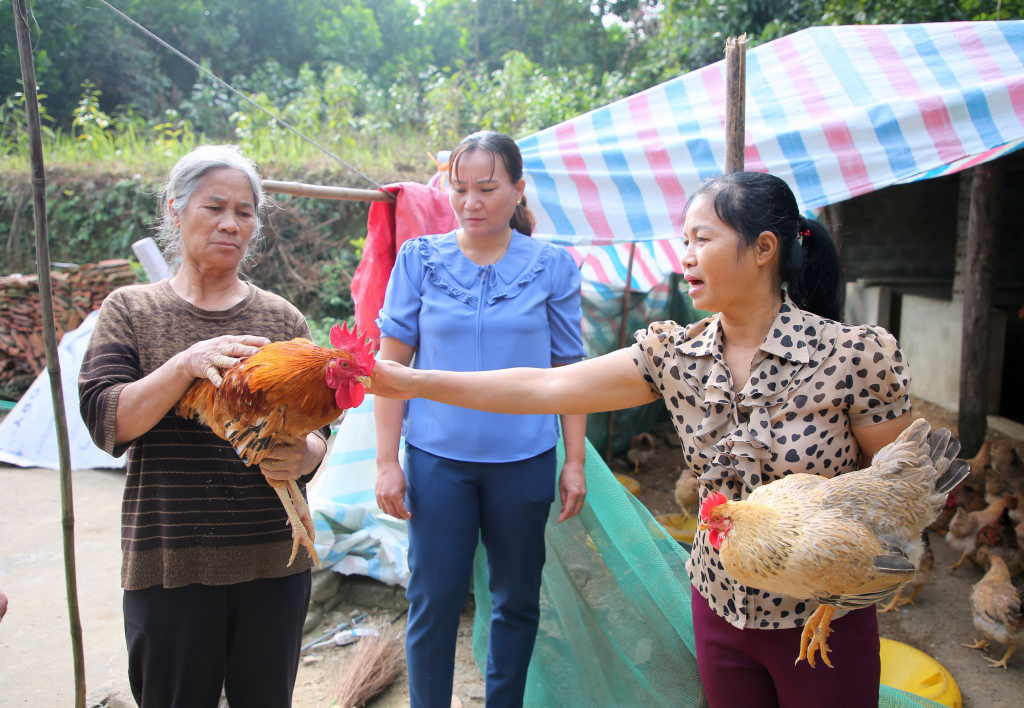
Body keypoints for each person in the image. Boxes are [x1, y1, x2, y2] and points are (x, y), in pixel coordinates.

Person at [369, 171, 914, 708]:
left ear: (764, 248)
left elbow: (896, 488)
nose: (687, 255)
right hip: (719, 606)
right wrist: (412, 380)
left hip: (821, 616)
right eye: (684, 241)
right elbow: (548, 384)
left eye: (703, 238)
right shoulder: (675, 355)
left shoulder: (855, 356)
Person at [79, 145, 328, 708]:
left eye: (244, 212)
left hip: (272, 562)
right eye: (214, 206)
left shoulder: (281, 317)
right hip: (170, 561)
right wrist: (187, 363)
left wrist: (308, 454)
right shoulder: (131, 310)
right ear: (175, 209)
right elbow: (106, 420)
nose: (230, 223)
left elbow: (315, 428)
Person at [373, 131, 588, 708]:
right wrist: (387, 462)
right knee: (433, 596)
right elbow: (389, 368)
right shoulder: (419, 260)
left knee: (516, 598)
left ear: (518, 190)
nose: (471, 201)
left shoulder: (552, 267)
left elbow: (570, 372)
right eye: (459, 187)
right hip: (437, 461)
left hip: (524, 460)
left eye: (488, 188)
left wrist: (573, 461)